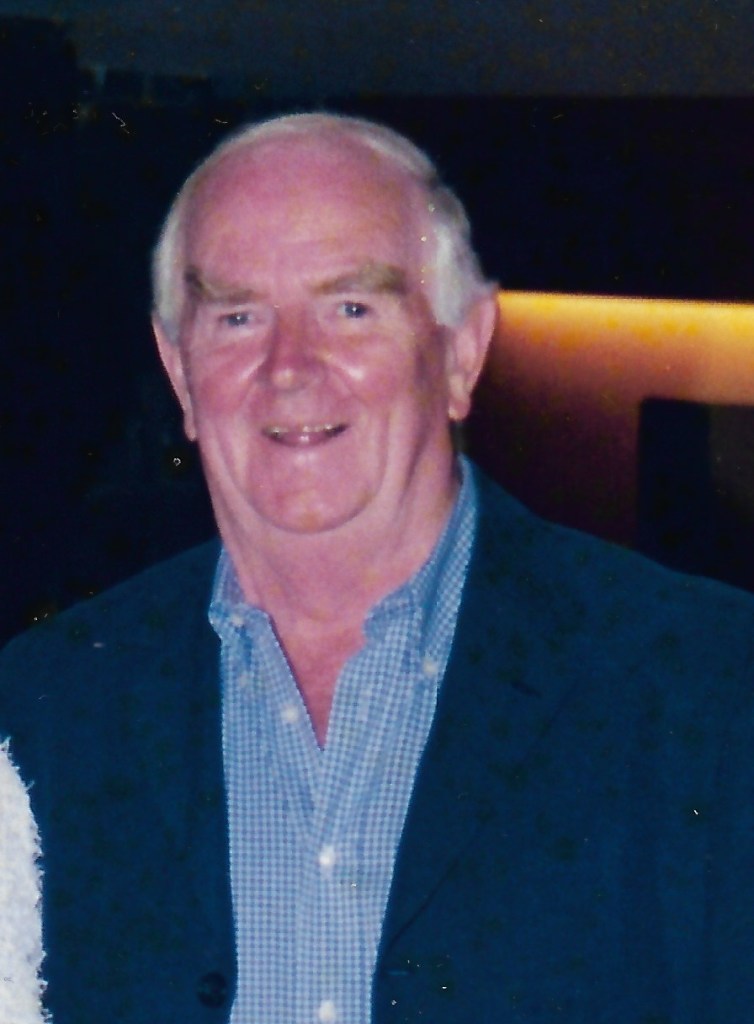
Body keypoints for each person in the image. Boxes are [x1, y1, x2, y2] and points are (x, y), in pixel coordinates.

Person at [2, 111, 754, 1024]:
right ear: (178, 369)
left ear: (462, 348)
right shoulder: (43, 710)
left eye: (351, 309)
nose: (289, 368)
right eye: (238, 317)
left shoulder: (705, 687)